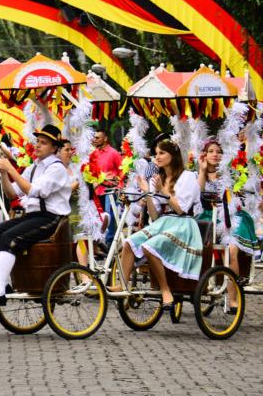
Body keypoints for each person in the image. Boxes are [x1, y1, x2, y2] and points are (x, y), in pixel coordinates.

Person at [0, 125, 72, 308]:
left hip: (50, 218)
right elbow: (13, 193)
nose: (38, 145)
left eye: (43, 143)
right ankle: (3, 285)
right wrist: (3, 174)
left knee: (8, 238)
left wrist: (11, 170)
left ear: (54, 148)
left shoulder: (56, 168)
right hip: (33, 216)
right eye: (37, 141)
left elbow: (34, 191)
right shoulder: (33, 168)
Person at [108, 137, 202, 309]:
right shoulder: (157, 179)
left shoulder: (188, 176)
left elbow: (181, 209)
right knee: (129, 243)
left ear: (173, 155)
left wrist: (162, 190)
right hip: (164, 222)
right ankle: (124, 284)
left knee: (150, 246)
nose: (157, 157)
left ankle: (166, 291)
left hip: (183, 224)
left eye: (161, 153)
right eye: (156, 153)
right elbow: (154, 215)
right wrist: (147, 194)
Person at [197, 138, 257, 310]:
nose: (215, 155)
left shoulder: (231, 173)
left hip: (232, 216)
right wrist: (202, 171)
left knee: (231, 250)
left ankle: (232, 298)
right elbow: (198, 195)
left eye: (219, 151)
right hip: (208, 217)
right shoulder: (198, 173)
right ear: (205, 155)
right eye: (211, 151)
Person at [91, 128, 122, 243]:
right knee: (100, 218)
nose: (95, 140)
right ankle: (100, 243)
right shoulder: (93, 154)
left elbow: (122, 171)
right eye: (94, 138)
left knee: (110, 217)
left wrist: (118, 184)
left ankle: (110, 243)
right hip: (96, 191)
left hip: (110, 191)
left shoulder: (113, 153)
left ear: (105, 139)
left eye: (98, 138)